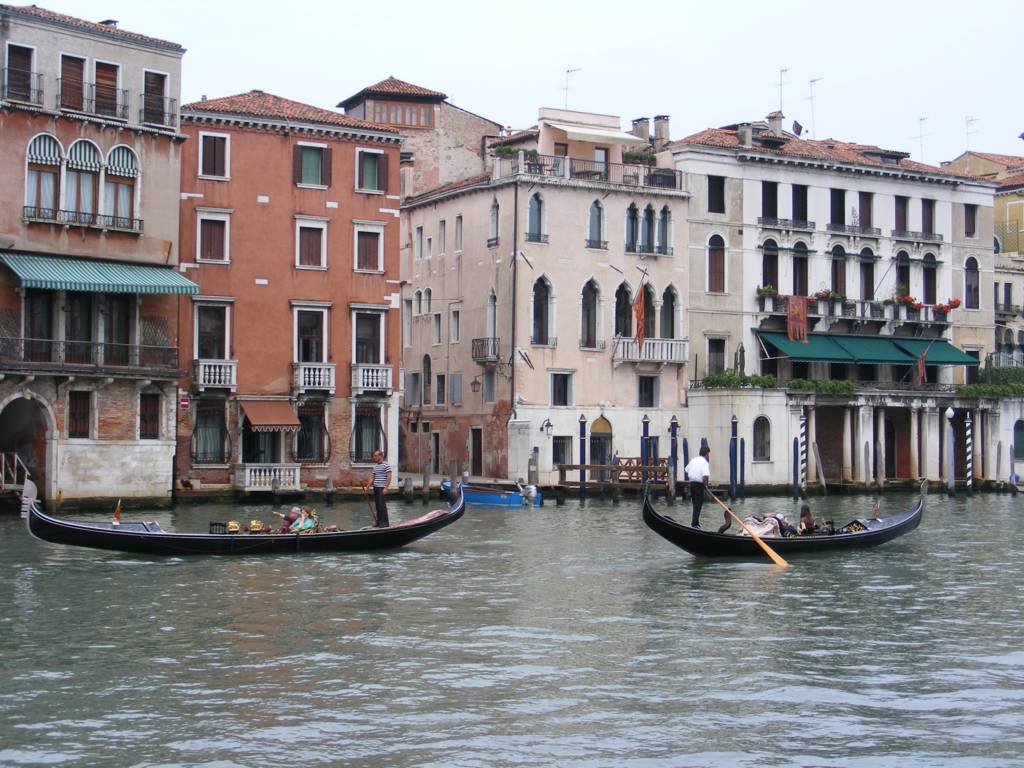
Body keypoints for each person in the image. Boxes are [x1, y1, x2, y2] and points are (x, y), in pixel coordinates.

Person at [684, 445, 710, 528]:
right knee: (698, 505)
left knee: (695, 504)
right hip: (699, 485)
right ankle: (694, 524)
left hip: (692, 484)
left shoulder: (693, 460)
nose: (708, 456)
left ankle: (695, 523)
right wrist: (706, 486)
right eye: (708, 454)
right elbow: (705, 476)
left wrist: (694, 474)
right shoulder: (704, 462)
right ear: (706, 454)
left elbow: (686, 470)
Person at [364, 450, 392, 528]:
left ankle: (385, 523)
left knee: (382, 505)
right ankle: (379, 522)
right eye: (374, 456)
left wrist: (386, 488)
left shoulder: (386, 466)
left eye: (376, 456)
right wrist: (367, 487)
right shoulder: (375, 466)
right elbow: (372, 478)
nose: (374, 457)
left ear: (380, 456)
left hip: (382, 487)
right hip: (376, 487)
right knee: (377, 506)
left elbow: (389, 477)